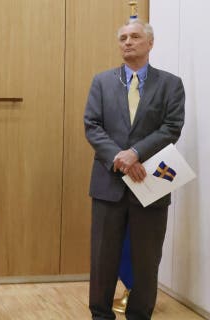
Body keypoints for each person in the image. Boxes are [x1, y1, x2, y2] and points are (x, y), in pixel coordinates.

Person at [84, 19, 185, 320]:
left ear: (150, 43)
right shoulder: (101, 82)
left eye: (135, 37)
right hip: (108, 185)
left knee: (146, 260)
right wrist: (120, 157)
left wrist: (136, 153)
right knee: (103, 260)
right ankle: (100, 315)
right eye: (123, 38)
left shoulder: (170, 84)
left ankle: (140, 315)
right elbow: (92, 125)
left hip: (151, 185)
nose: (128, 42)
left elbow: (172, 126)